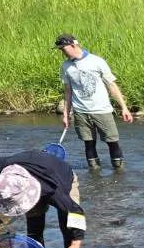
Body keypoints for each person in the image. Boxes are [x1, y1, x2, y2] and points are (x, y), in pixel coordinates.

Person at [0, 151, 87, 248]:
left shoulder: (55, 192)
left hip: (60, 176)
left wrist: (75, 244)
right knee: (34, 224)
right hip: (33, 171)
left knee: (67, 224)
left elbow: (76, 211)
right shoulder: (3, 168)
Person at [56, 34, 133, 170]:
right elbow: (68, 91)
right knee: (89, 144)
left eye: (63, 49)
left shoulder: (96, 61)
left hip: (102, 110)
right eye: (60, 50)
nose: (62, 52)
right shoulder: (66, 66)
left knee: (112, 142)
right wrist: (66, 115)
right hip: (81, 112)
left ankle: (119, 173)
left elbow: (112, 85)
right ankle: (94, 173)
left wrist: (124, 108)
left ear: (73, 45)